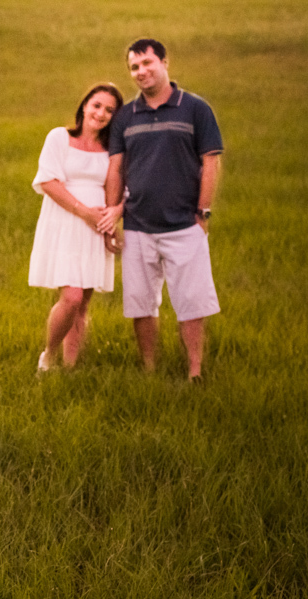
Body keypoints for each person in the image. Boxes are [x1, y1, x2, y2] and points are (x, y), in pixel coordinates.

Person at [102, 38, 224, 381]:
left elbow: (211, 162)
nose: (141, 72)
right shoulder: (126, 116)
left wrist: (203, 214)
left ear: (165, 63)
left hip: (185, 225)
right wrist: (113, 217)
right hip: (139, 227)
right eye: (134, 67)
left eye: (147, 63)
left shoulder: (196, 109)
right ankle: (149, 371)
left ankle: (195, 372)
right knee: (140, 306)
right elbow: (116, 168)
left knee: (192, 304)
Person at [28, 83, 125, 371]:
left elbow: (112, 187)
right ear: (84, 106)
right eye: (97, 105)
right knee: (70, 297)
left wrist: (109, 228)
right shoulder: (59, 137)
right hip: (64, 223)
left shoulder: (111, 150)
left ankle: (70, 368)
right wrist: (85, 213)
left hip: (95, 229)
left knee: (82, 303)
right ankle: (49, 355)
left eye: (110, 110)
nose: (101, 113)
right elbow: (48, 182)